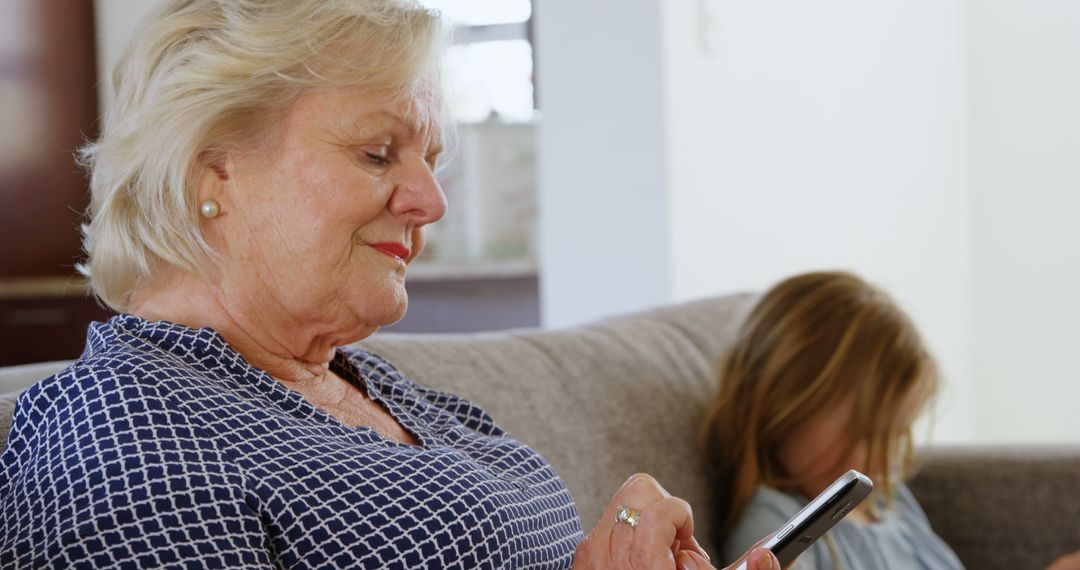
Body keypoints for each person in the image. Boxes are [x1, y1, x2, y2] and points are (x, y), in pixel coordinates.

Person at [0, 1, 779, 569]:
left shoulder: (379, 390)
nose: (431, 202)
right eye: (378, 153)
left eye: (430, 162)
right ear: (214, 169)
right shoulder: (123, 439)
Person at [700, 271, 1080, 570]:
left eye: (896, 434)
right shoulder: (777, 528)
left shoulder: (885, 502)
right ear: (783, 404)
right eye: (866, 434)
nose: (886, 460)